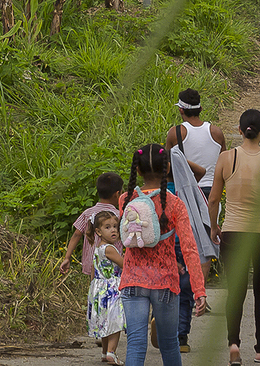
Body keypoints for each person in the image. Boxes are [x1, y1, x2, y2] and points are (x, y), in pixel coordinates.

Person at [207, 110, 260, 365]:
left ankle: (233, 344)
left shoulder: (226, 158)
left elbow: (213, 199)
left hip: (233, 232)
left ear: (239, 129)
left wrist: (213, 227)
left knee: (235, 291)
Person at [119, 144, 206, 366]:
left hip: (132, 281)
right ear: (167, 170)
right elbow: (189, 249)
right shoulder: (175, 204)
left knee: (136, 344)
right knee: (169, 345)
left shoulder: (125, 201)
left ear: (137, 170)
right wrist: (199, 291)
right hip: (165, 283)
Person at [166, 87, 227, 343]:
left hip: (186, 191)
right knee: (204, 243)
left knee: (187, 244)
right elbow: (223, 158)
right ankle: (201, 295)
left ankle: (188, 294)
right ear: (200, 108)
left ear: (181, 110)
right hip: (211, 194)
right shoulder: (216, 132)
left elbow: (168, 162)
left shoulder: (175, 133)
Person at [64, 172, 129, 284]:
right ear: (117, 194)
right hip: (113, 263)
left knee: (95, 288)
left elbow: (76, 234)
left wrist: (67, 257)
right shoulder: (119, 215)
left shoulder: (88, 213)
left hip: (92, 263)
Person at [88, 209, 128, 364]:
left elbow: (93, 269)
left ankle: (105, 352)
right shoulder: (110, 249)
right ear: (98, 231)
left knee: (105, 322)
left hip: (99, 289)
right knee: (115, 322)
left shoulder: (98, 248)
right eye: (107, 227)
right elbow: (124, 265)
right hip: (111, 289)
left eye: (115, 227)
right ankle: (112, 352)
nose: (113, 230)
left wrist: (92, 289)